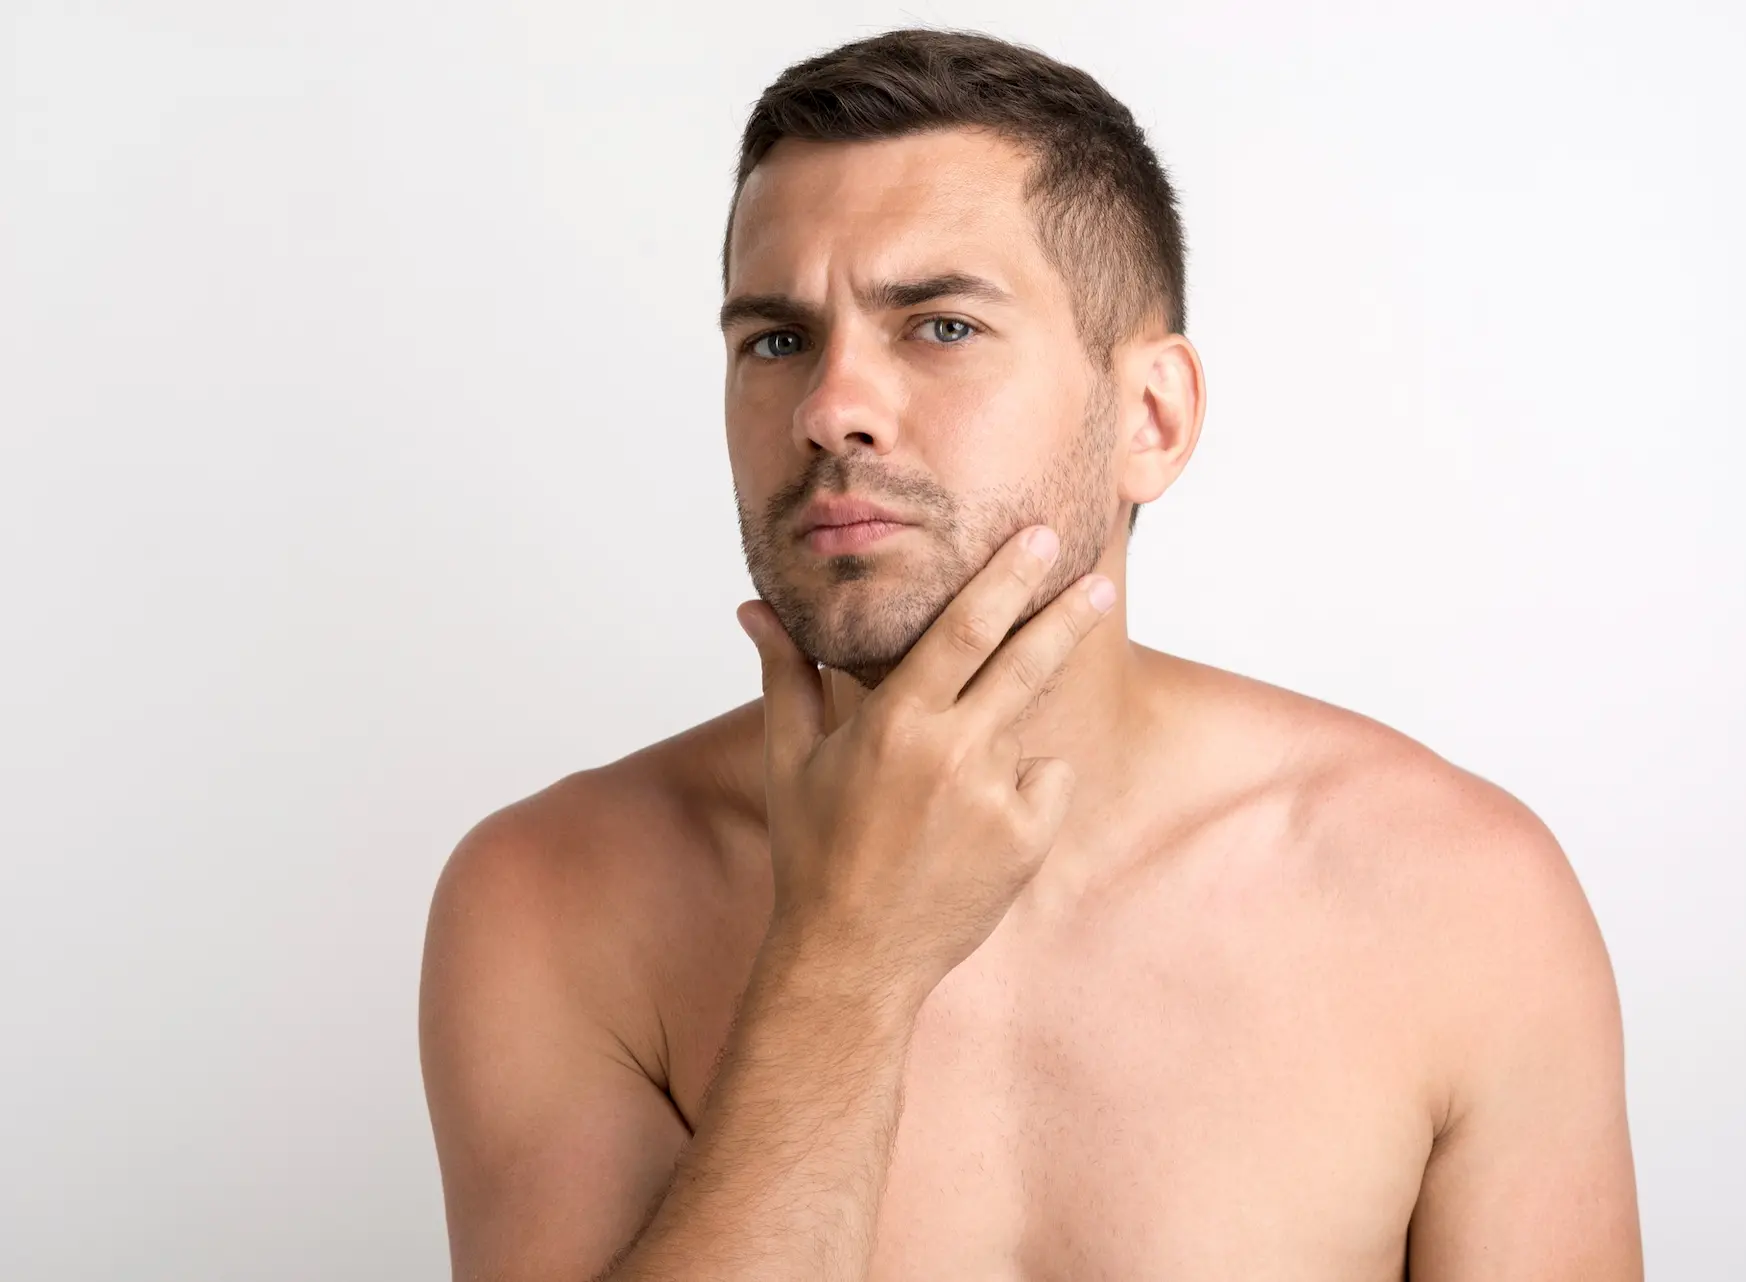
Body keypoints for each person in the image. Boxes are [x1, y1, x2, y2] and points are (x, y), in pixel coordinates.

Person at [417, 27, 1642, 1282]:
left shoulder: (1454, 896)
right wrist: (844, 960)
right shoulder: (553, 896)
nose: (829, 406)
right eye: (775, 340)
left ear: (1151, 418)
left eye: (938, 326)